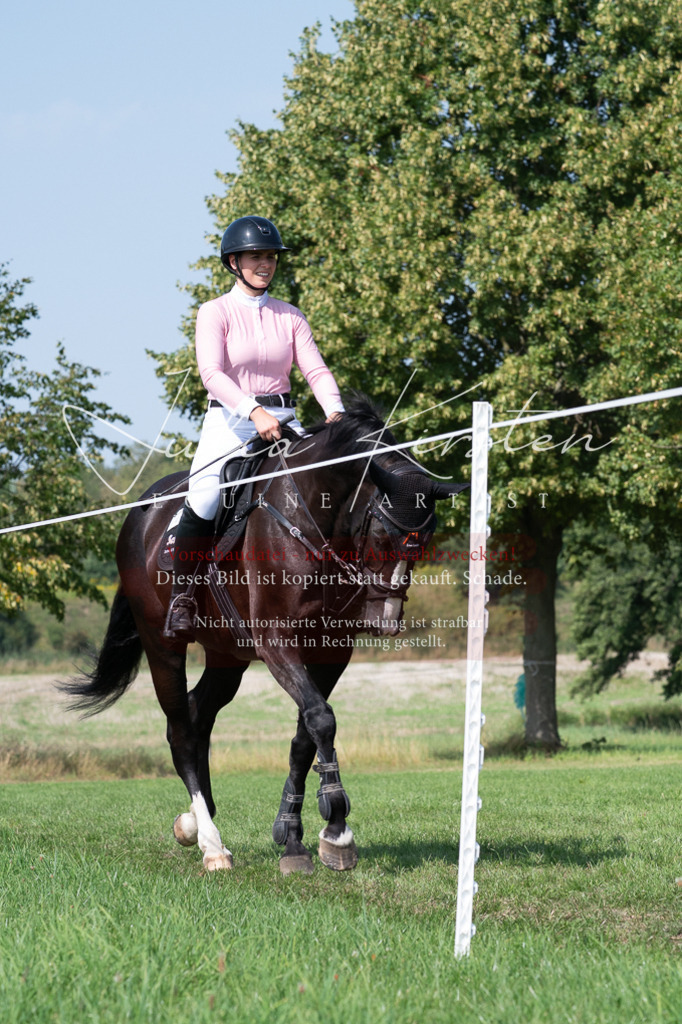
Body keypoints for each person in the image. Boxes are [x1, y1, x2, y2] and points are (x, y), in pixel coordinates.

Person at [163, 215, 345, 640]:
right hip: (230, 422)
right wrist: (252, 411)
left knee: (327, 485)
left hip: (285, 420)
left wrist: (336, 415)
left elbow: (315, 371)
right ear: (233, 262)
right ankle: (183, 597)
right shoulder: (214, 312)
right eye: (255, 257)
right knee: (205, 497)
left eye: (270, 257)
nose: (265, 264)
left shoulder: (291, 316)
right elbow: (212, 374)